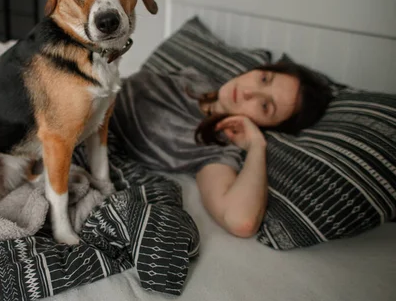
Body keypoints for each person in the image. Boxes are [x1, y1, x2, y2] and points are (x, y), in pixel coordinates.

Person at [109, 60, 333, 238]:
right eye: (264, 78)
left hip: (93, 138)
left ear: (269, 126)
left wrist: (256, 146)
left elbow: (240, 221)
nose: (249, 92)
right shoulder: (198, 79)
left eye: (265, 106)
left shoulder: (218, 147)